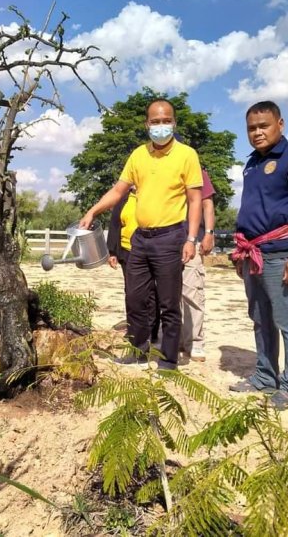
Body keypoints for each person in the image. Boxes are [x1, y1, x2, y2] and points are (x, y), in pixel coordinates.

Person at [80, 99, 203, 370]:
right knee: (135, 299)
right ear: (147, 124)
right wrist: (93, 211)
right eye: (155, 121)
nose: (161, 126)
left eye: (166, 120)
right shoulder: (138, 155)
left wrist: (191, 239)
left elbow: (195, 200)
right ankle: (138, 350)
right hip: (140, 238)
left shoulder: (187, 155)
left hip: (171, 237)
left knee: (169, 303)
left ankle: (168, 361)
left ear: (174, 123)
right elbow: (118, 191)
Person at [230, 101, 288, 410]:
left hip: (282, 254)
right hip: (253, 254)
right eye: (251, 128)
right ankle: (265, 377)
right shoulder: (252, 162)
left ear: (280, 124)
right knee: (260, 319)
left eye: (263, 126)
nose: (257, 132)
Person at [106, 187, 160, 342]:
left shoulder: (153, 196)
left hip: (150, 250)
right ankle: (133, 330)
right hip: (127, 251)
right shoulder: (123, 199)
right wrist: (112, 252)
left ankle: (152, 332)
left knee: (151, 293)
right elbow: (115, 225)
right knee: (131, 293)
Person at [180, 168, 216, 362]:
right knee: (169, 295)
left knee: (192, 291)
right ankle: (176, 339)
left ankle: (195, 342)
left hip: (191, 241)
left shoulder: (196, 170)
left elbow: (207, 203)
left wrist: (209, 232)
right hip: (165, 240)